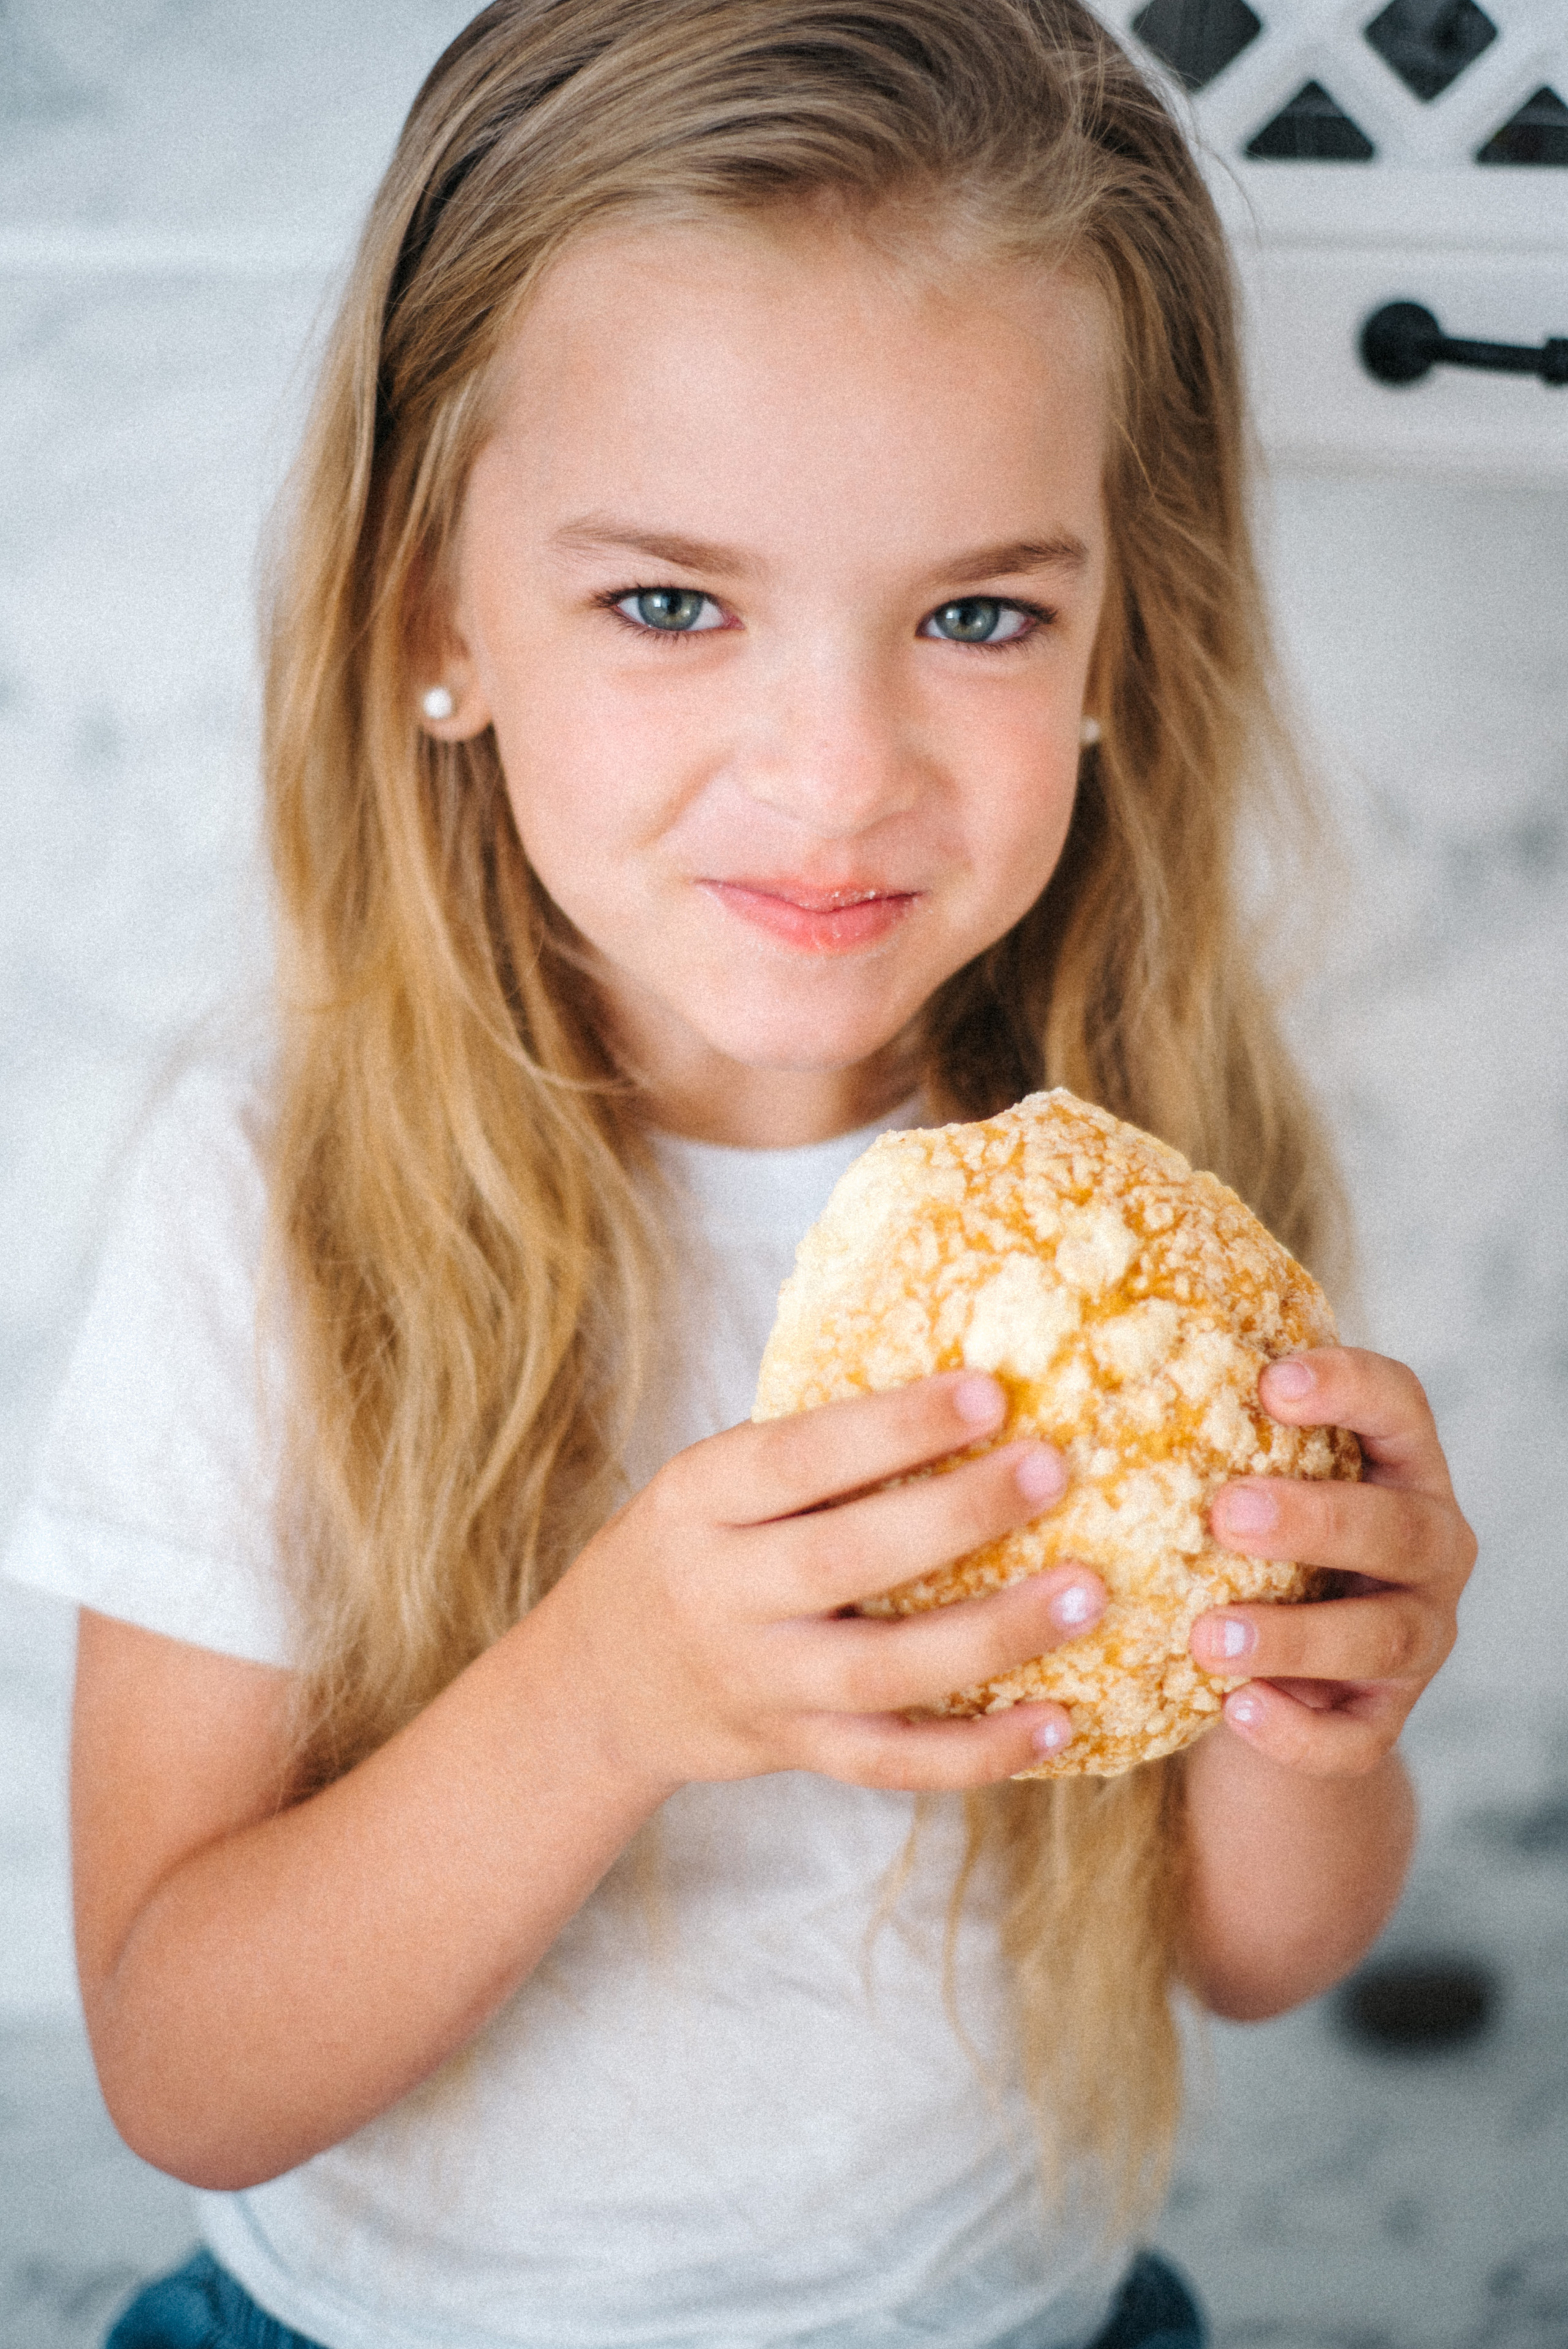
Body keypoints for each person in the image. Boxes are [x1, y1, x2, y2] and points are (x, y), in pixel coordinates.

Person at [6, 3, 1477, 2345]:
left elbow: (1251, 1952)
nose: (838, 765)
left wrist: (1319, 1707)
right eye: (673, 603)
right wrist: (605, 1698)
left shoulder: (1141, 1217)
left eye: (978, 614)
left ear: (1116, 633)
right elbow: (186, 2066)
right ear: (437, 615)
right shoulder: (279, 1206)